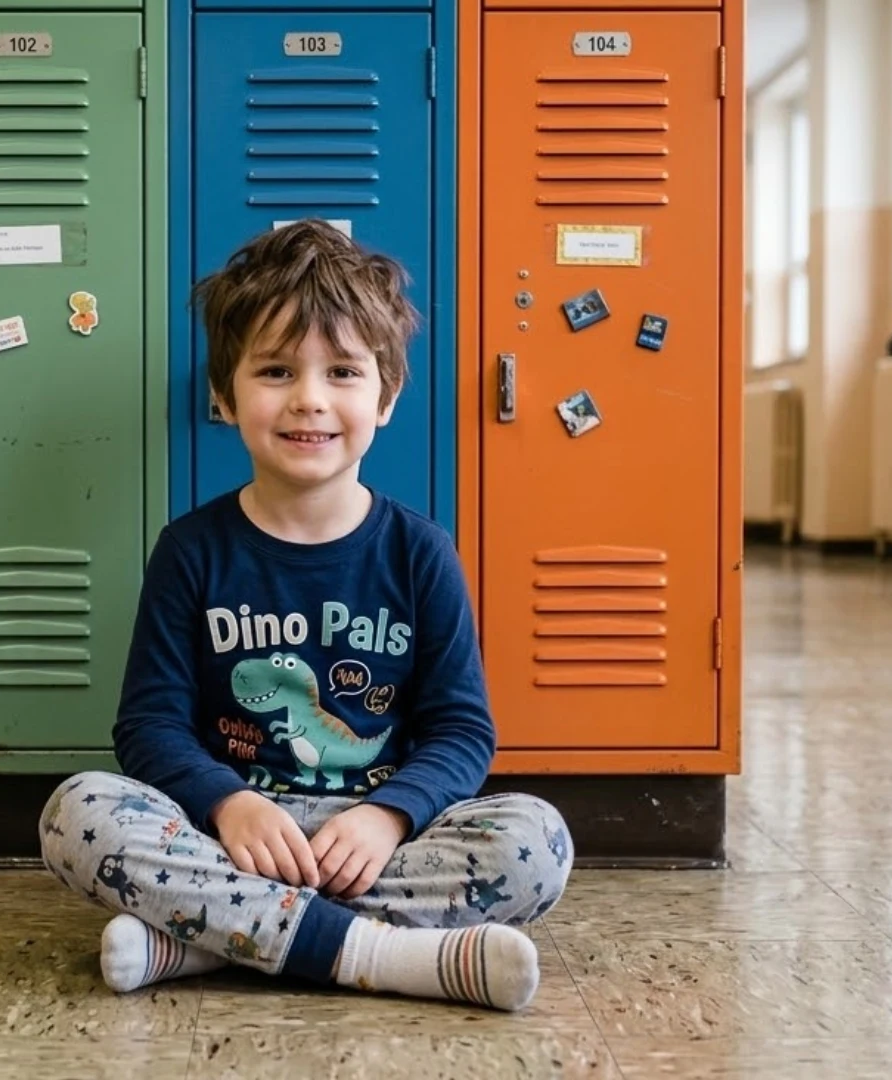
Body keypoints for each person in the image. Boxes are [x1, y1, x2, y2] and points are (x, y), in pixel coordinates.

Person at [38, 219, 573, 1012]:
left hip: (376, 842)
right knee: (74, 813)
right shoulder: (191, 550)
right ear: (224, 395)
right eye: (277, 370)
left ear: (386, 397)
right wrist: (232, 803)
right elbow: (149, 725)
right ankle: (385, 956)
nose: (310, 400)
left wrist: (389, 817)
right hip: (230, 836)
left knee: (537, 842)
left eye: (344, 372)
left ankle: (199, 943)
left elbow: (463, 732)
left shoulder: (421, 553)